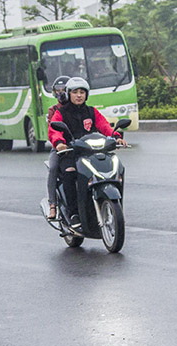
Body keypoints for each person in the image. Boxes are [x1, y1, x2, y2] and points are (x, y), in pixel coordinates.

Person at [47, 77, 127, 230]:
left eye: (82, 92)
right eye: (75, 92)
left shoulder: (91, 111)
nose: (79, 95)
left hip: (90, 151)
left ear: (87, 94)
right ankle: (73, 213)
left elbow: (104, 125)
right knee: (69, 172)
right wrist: (60, 143)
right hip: (70, 152)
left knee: (112, 168)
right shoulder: (61, 112)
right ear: (69, 94)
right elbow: (54, 130)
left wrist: (116, 137)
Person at [44, 75, 72, 220]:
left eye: (64, 90)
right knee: (54, 167)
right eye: (58, 90)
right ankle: (52, 204)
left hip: (80, 146)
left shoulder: (82, 108)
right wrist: (59, 143)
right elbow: (52, 131)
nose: (61, 93)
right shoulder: (54, 110)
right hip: (60, 147)